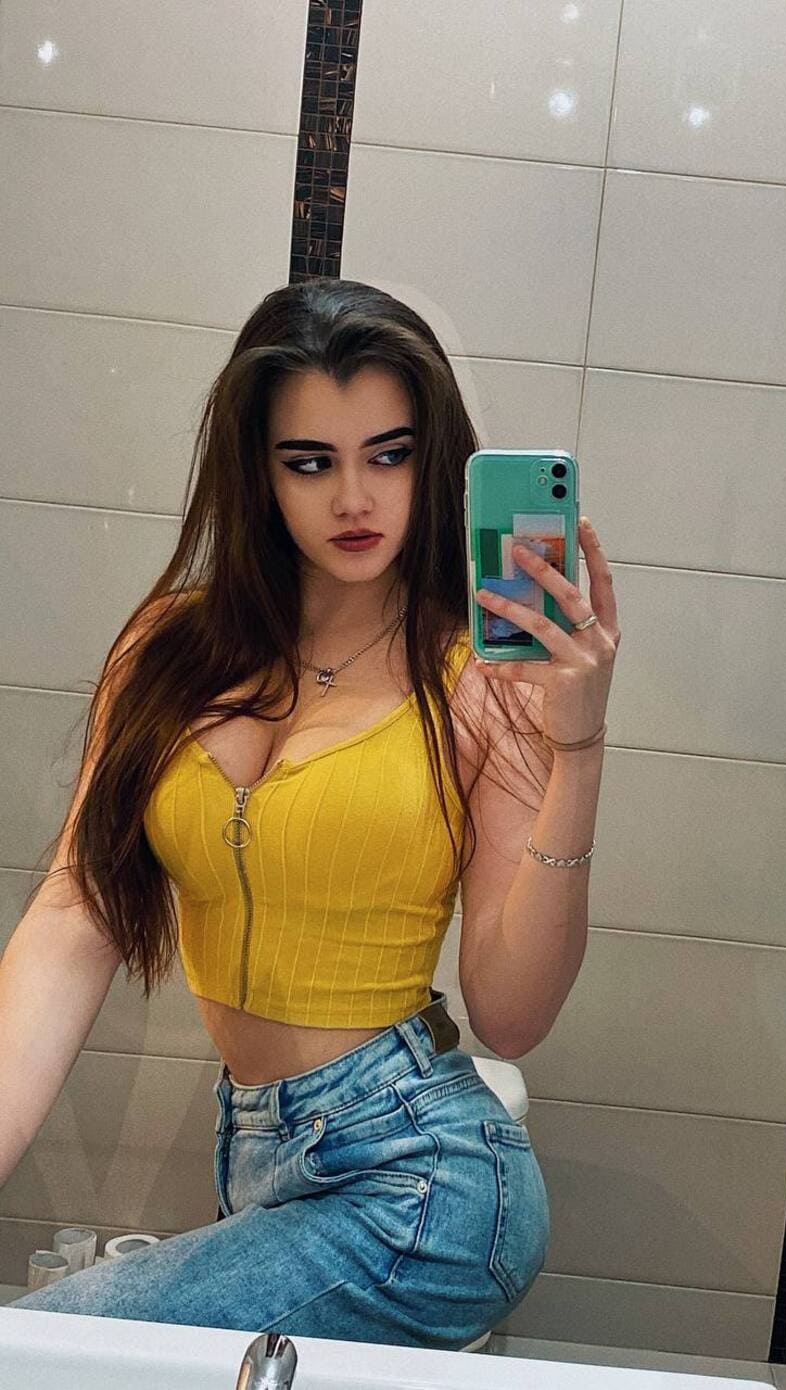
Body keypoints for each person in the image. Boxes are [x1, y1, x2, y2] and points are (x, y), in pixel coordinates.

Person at [0, 278, 620, 1349]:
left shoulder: (478, 681)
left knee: (55, 1349)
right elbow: (72, 918)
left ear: (433, 461)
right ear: (258, 469)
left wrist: (578, 748)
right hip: (261, 1157)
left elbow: (511, 1016)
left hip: (427, 1183)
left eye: (390, 455)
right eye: (311, 462)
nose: (354, 499)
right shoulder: (167, 650)